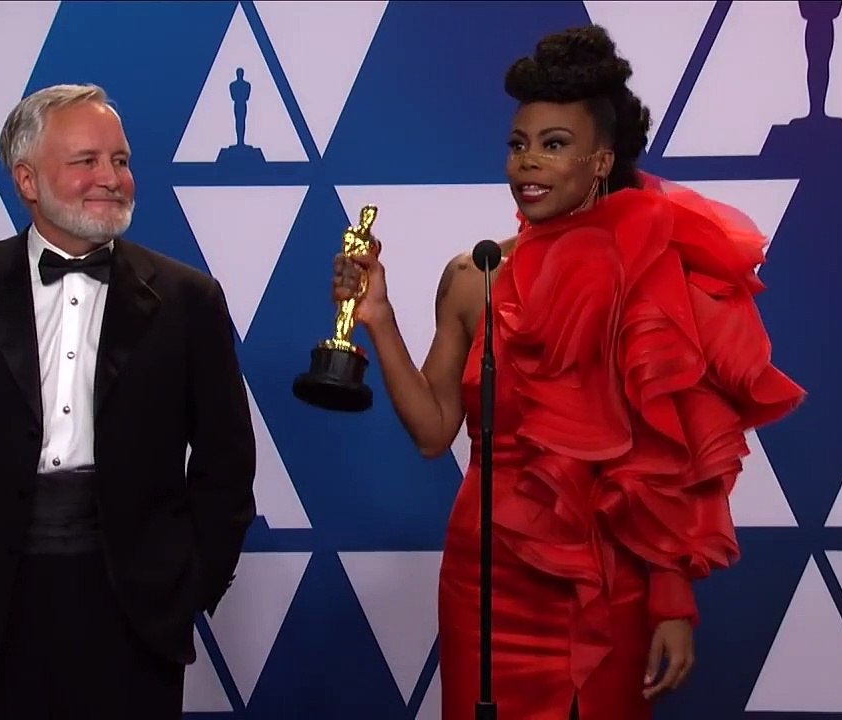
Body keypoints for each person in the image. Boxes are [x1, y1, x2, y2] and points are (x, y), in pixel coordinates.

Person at [333, 25, 806, 720]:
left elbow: (666, 464)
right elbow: (435, 431)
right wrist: (378, 318)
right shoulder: (474, 276)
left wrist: (672, 600)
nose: (528, 163)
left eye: (554, 145)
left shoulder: (646, 279)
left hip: (607, 580)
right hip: (485, 581)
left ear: (601, 160)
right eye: (518, 144)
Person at [0, 83, 257, 719]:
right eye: (87, 162)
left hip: (135, 613)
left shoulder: (191, 300)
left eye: (121, 161)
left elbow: (227, 463)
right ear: (27, 179)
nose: (111, 179)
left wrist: (188, 584)